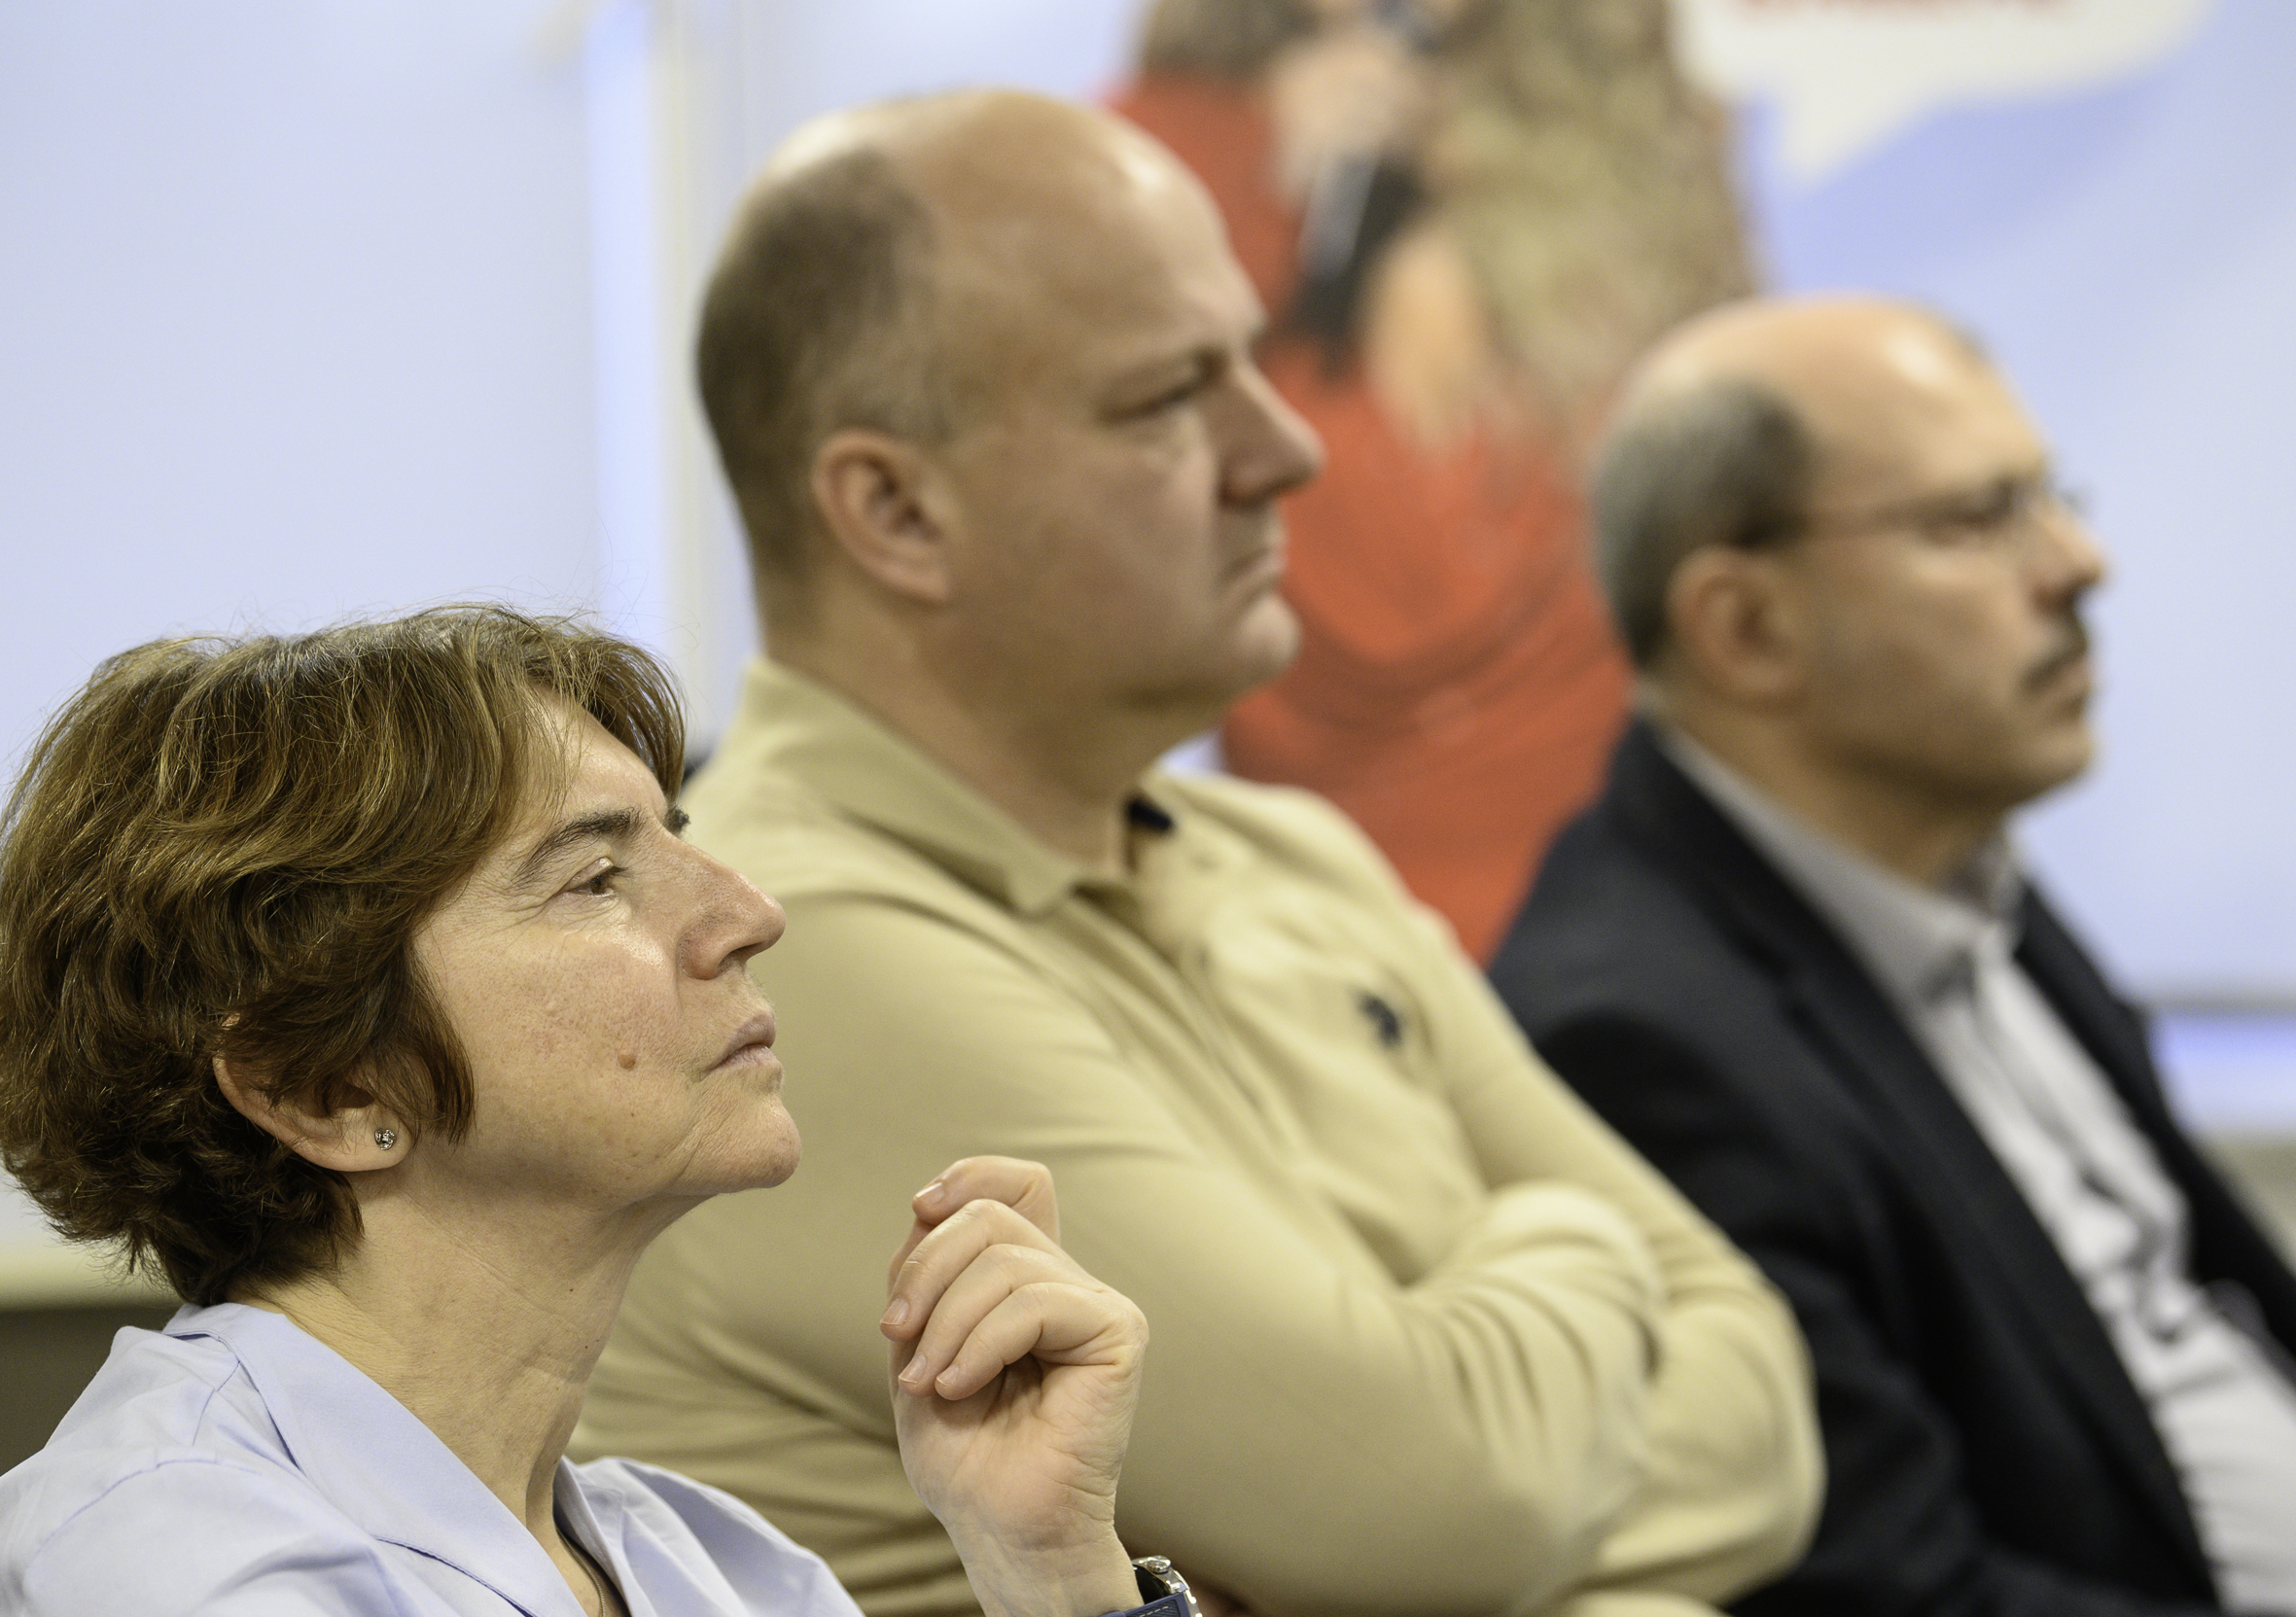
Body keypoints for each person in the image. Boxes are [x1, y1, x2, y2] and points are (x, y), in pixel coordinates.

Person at [575, 89, 1820, 1617]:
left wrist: (1450, 1503)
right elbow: (1432, 1503)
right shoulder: (785, 944)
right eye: (1170, 397)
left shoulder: (1290, 852)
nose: (1284, 447)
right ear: (894, 508)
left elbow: (1765, 1405)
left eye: (1254, 357)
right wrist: (1571, 1242)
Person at [0, 606, 1173, 1617]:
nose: (750, 913)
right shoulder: (164, 1558)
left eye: (675, 835)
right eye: (595, 879)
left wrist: (1049, 1572)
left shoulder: (711, 1563)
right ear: (327, 1088)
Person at [1493, 297, 2296, 1616]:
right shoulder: (1637, 1040)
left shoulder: (1952, 860)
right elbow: (1892, 1591)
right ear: (1746, 628)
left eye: (2050, 497)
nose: (2079, 562)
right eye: (1976, 521)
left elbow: (2206, 1309)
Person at [1108, 0, 1754, 957]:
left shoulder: (1562, 173)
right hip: (1500, 888)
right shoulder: (1178, 137)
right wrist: (1255, 167)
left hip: (1530, 880)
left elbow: (1719, 490)